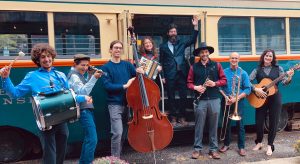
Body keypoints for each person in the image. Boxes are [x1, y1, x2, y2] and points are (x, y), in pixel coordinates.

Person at [0, 43, 92, 164]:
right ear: (38, 60)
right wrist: (6, 78)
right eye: (43, 57)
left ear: (52, 57)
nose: (47, 59)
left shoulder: (61, 75)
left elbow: (70, 96)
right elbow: (14, 94)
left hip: (62, 120)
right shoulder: (32, 76)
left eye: (48, 56)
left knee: (61, 155)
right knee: (50, 157)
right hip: (46, 122)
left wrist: (83, 97)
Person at [101, 40, 144, 158]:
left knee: (124, 132)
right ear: (110, 50)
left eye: (120, 48)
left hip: (129, 103)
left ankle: (118, 155)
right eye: (115, 48)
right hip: (114, 104)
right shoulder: (105, 67)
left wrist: (140, 72)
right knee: (117, 133)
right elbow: (107, 86)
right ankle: (115, 159)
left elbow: (137, 77)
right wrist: (125, 85)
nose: (118, 50)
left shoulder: (127, 65)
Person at [249, 49, 294, 156]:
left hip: (275, 98)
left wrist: (289, 76)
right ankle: (259, 142)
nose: (268, 57)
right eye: (266, 55)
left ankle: (270, 145)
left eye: (270, 56)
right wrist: (256, 89)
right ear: (263, 56)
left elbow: (284, 82)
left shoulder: (279, 69)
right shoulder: (257, 69)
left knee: (273, 122)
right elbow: (248, 81)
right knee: (259, 121)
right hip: (260, 97)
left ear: (273, 58)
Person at [187, 42, 227, 159]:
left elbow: (224, 80)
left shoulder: (216, 65)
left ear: (208, 53)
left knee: (214, 126)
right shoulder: (193, 67)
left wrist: (215, 83)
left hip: (214, 99)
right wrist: (196, 87)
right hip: (201, 100)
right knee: (199, 125)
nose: (204, 54)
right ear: (199, 54)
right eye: (202, 52)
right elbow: (189, 83)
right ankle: (197, 149)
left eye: (206, 52)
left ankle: (213, 149)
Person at [159, 16, 199, 126]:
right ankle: (173, 117)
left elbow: (192, 39)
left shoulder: (181, 43)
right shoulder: (163, 47)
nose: (173, 33)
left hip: (182, 74)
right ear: (168, 33)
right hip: (169, 74)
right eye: (171, 31)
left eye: (175, 31)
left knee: (183, 96)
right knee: (171, 97)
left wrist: (195, 26)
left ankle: (182, 117)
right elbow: (160, 62)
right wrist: (162, 76)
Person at [68, 54, 102, 164]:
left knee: (89, 138)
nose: (85, 67)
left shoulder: (78, 74)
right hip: (83, 109)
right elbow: (83, 92)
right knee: (92, 139)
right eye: (83, 65)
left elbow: (82, 87)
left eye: (87, 65)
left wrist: (88, 76)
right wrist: (94, 78)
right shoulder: (74, 76)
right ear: (75, 64)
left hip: (85, 109)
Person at [219, 52, 251, 156]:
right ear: (229, 59)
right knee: (226, 124)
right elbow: (220, 87)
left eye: (236, 58)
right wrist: (226, 97)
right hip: (227, 100)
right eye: (232, 58)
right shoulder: (224, 72)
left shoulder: (243, 73)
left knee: (240, 125)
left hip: (239, 101)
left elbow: (248, 89)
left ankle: (241, 147)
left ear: (239, 60)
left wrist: (237, 98)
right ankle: (226, 144)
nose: (234, 60)